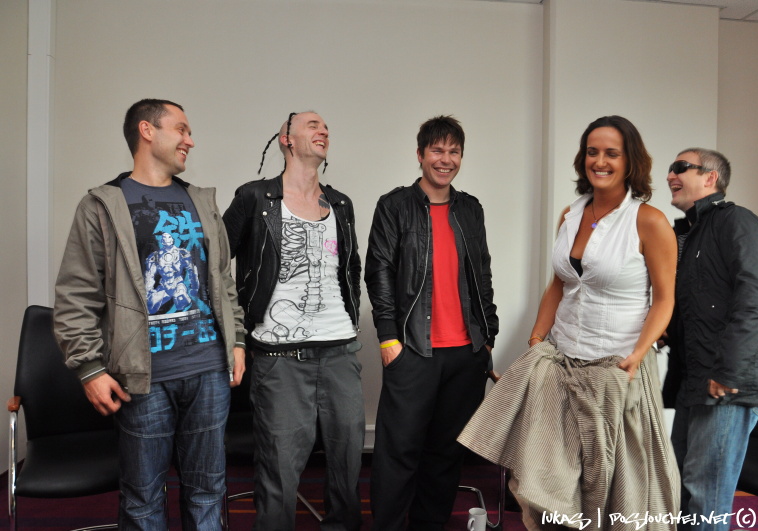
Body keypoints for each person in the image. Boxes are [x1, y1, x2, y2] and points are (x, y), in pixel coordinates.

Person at [459, 116, 680, 530]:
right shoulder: (571, 214)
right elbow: (560, 284)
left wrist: (637, 355)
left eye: (612, 153)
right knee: (551, 478)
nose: (600, 161)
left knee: (618, 486)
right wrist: (536, 338)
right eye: (592, 152)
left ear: (630, 161)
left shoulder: (649, 221)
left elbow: (665, 299)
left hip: (618, 369)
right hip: (562, 362)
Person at [54, 98, 246, 530]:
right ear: (147, 130)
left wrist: (236, 340)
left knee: (208, 492)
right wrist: (88, 367)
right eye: (181, 129)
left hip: (209, 372)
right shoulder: (102, 205)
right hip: (143, 378)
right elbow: (76, 294)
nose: (190, 140)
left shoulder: (201, 202)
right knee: (143, 501)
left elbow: (221, 279)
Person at [223, 111, 364, 531]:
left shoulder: (340, 203)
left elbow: (350, 268)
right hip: (280, 358)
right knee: (279, 470)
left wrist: (350, 322)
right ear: (286, 138)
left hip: (341, 352)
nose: (324, 131)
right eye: (312, 125)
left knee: (347, 466)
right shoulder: (255, 198)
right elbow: (213, 265)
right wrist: (236, 334)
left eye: (326, 127)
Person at [365, 115, 499, 530]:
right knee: (398, 452)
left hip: (465, 354)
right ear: (420, 154)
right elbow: (378, 272)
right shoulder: (394, 206)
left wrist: (488, 336)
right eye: (437, 150)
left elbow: (482, 274)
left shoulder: (470, 209)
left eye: (454, 151)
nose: (446, 159)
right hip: (413, 349)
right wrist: (388, 338)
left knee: (445, 453)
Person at [662, 148, 758, 531]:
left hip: (728, 381)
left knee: (706, 497)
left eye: (681, 167)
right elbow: (698, 304)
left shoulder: (737, 221)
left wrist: (729, 372)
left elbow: (757, 300)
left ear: (710, 177)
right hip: (697, 379)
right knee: (681, 488)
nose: (670, 175)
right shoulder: (688, 232)